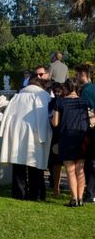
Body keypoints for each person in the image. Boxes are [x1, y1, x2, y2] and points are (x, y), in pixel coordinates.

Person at [0, 77, 51, 200]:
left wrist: (4, 132)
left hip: (16, 132)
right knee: (35, 164)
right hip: (35, 133)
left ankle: (19, 193)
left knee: (18, 163)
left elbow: (7, 115)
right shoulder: (43, 96)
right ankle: (36, 194)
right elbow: (45, 116)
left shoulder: (17, 97)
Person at [51, 78, 90, 207]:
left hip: (67, 136)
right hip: (82, 136)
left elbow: (55, 123)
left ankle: (74, 199)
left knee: (70, 169)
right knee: (80, 169)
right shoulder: (84, 101)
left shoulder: (60, 102)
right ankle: (80, 198)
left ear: (65, 88)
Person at [75, 64, 95, 203]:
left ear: (83, 74)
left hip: (90, 129)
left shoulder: (86, 91)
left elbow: (86, 111)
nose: (76, 77)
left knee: (89, 161)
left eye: (77, 74)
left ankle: (90, 192)